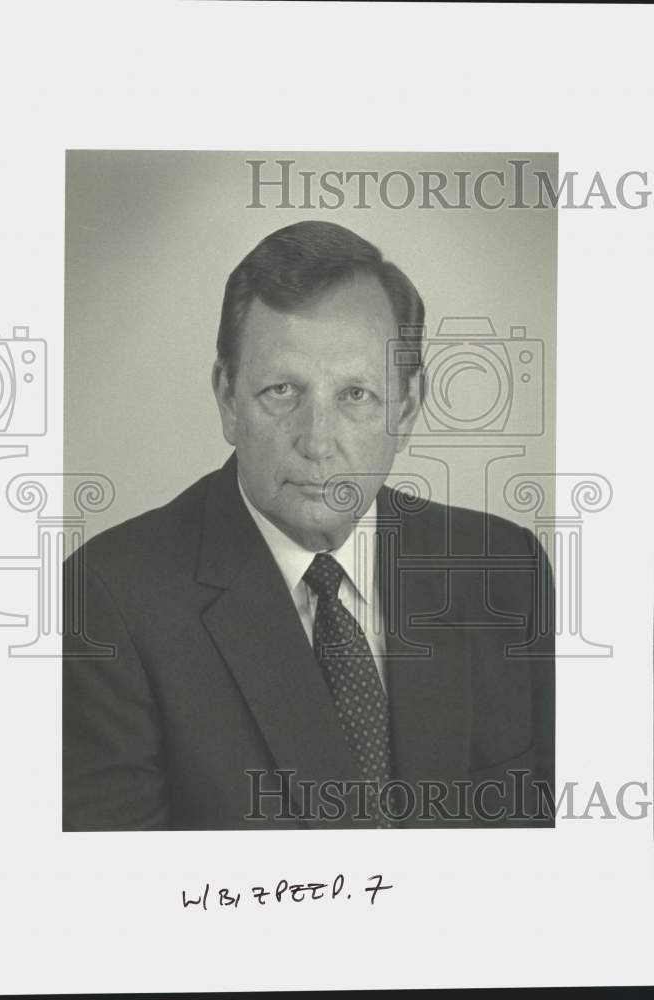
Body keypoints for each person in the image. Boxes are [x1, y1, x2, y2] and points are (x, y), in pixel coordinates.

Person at [63, 221, 555, 831]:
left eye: (356, 394)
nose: (318, 442)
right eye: (282, 390)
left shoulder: (506, 570)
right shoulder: (111, 598)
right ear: (226, 398)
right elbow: (121, 904)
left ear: (405, 407)